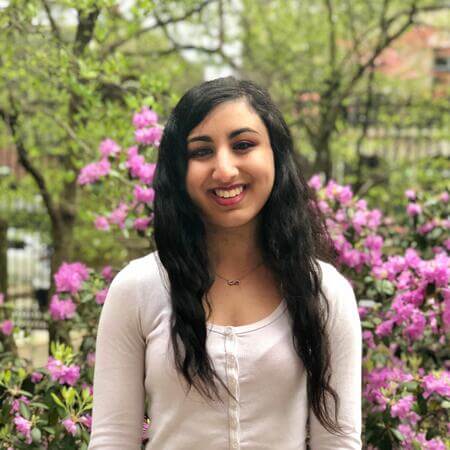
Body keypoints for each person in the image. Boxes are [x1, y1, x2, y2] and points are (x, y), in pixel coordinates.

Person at [88, 77, 362, 449]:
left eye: (243, 145)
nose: (225, 169)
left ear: (276, 155)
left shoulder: (324, 292)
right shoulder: (138, 289)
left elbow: (339, 442)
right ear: (179, 171)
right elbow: (112, 440)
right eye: (201, 151)